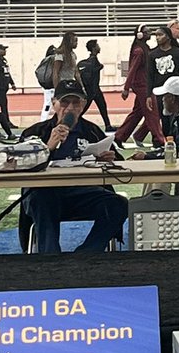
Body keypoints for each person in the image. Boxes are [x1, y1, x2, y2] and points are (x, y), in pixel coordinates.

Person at [19, 80, 127, 253]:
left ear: (83, 105)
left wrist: (109, 159)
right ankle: (51, 259)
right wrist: (48, 147)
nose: (69, 108)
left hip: (83, 193)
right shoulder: (35, 132)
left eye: (75, 103)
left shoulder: (92, 131)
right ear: (54, 103)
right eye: (64, 102)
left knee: (118, 204)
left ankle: (86, 254)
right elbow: (20, 164)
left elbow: (119, 161)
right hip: (44, 193)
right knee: (42, 201)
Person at [114, 25, 165, 150]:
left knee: (138, 112)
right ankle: (158, 140)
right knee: (152, 112)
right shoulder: (139, 51)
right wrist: (126, 88)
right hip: (142, 85)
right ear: (140, 34)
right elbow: (132, 69)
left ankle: (119, 137)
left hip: (143, 84)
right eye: (147, 31)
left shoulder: (144, 48)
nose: (150, 33)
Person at [79, 39, 112, 128]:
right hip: (93, 89)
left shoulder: (91, 60)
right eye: (97, 45)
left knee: (102, 106)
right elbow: (95, 70)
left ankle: (108, 125)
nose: (99, 47)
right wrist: (100, 67)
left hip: (93, 88)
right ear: (94, 48)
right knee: (85, 108)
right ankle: (74, 122)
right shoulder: (93, 60)